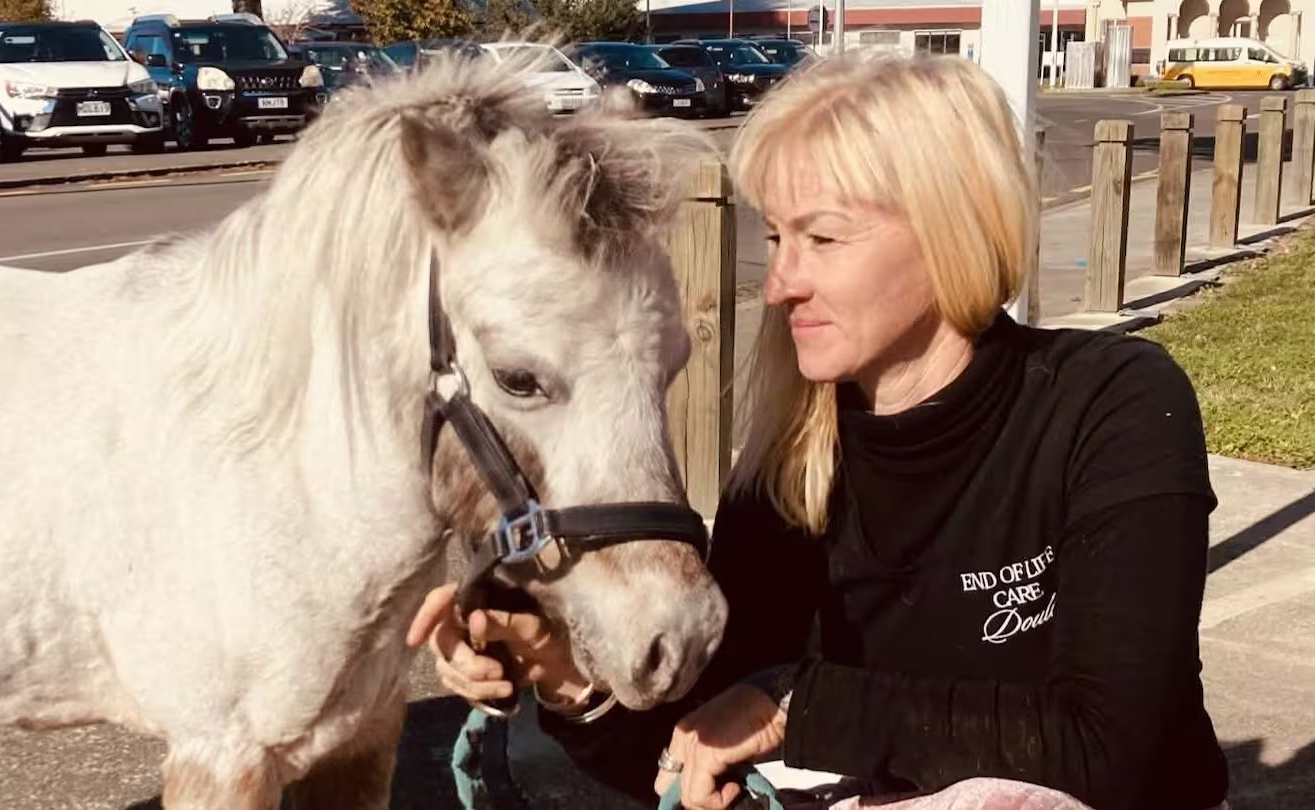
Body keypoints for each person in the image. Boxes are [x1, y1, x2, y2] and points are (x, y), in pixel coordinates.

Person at [407, 50, 1230, 810]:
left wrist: (794, 702)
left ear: (952, 232)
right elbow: (700, 751)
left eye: (822, 237)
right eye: (774, 238)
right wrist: (564, 675)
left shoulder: (1113, 403)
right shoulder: (788, 457)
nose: (780, 284)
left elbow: (1111, 746)